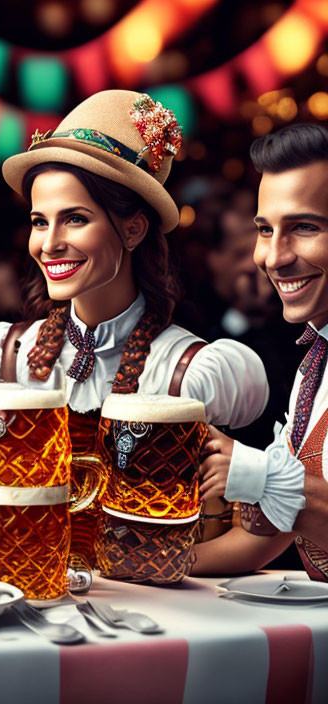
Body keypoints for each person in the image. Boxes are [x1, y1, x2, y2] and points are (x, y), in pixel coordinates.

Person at [0, 90, 270, 568]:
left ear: (133, 230)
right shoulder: (7, 351)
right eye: (39, 221)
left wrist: (178, 561)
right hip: (28, 607)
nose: (49, 244)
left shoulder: (190, 368)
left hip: (149, 622)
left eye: (76, 219)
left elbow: (265, 502)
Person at [193, 123, 328, 578]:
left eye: (304, 227)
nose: (273, 256)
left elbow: (286, 497)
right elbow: (269, 533)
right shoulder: (314, 362)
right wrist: (133, 565)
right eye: (266, 230)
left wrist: (256, 473)